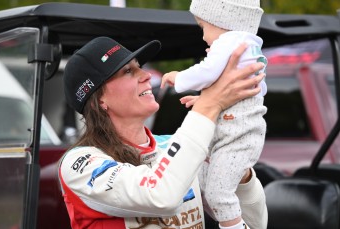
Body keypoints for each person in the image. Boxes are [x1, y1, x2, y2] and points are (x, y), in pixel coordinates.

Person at [58, 36, 267, 229]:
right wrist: (210, 104)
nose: (147, 75)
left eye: (139, 67)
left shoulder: (172, 146)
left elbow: (253, 223)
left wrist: (239, 172)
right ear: (100, 99)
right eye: (128, 71)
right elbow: (160, 196)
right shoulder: (80, 163)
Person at [160, 1, 268, 228]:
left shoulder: (229, 42)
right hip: (240, 134)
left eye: (203, 27)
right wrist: (205, 101)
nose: (203, 38)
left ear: (222, 21)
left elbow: (206, 71)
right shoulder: (249, 46)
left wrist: (178, 78)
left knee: (218, 194)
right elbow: (252, 93)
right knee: (213, 189)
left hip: (235, 137)